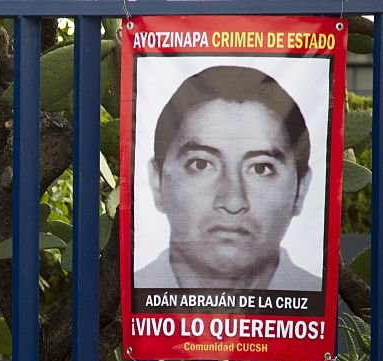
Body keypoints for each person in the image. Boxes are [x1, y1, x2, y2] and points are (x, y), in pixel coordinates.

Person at [135, 65, 321, 291]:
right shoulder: (118, 309)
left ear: (301, 190)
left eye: (261, 168)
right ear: (157, 182)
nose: (233, 201)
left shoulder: (334, 315)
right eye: (201, 164)